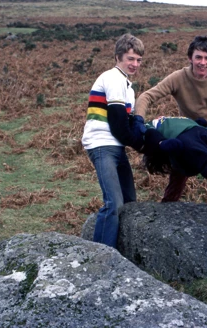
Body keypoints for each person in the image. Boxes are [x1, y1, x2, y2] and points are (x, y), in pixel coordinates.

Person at [134, 36, 207, 216]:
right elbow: (146, 96)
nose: (203, 63)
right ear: (190, 58)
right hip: (185, 130)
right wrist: (138, 121)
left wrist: (206, 129)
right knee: (179, 156)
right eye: (198, 57)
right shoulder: (178, 77)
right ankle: (169, 202)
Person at [81, 33, 145, 248]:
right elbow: (119, 123)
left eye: (138, 60)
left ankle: (125, 250)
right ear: (118, 57)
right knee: (114, 203)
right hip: (102, 144)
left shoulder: (128, 86)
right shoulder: (113, 78)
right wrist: (141, 144)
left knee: (129, 201)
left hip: (116, 146)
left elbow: (126, 125)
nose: (135, 64)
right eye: (130, 59)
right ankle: (100, 254)